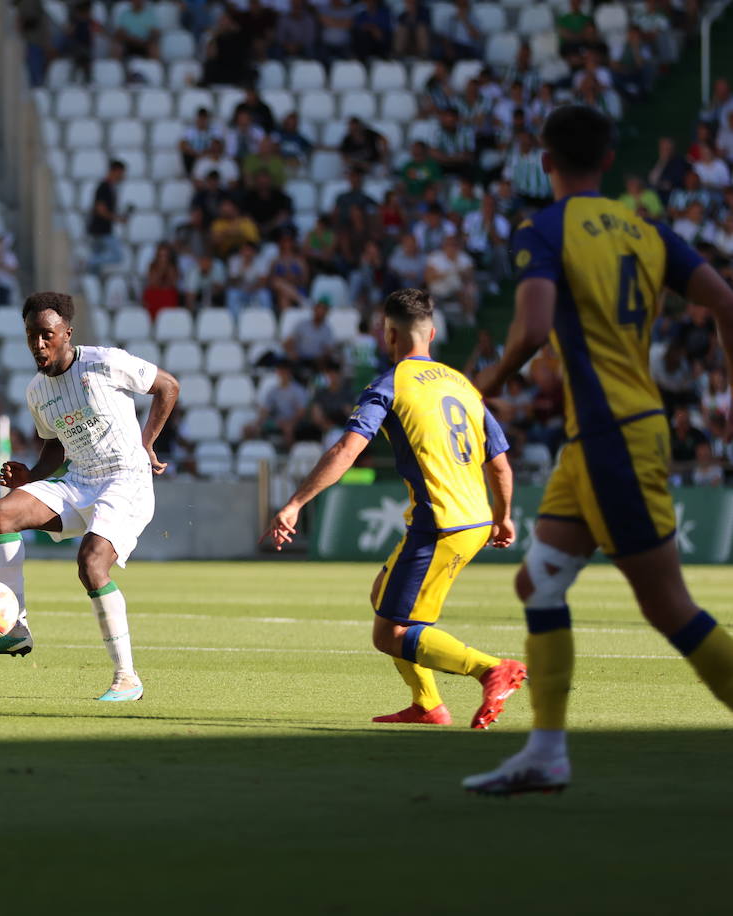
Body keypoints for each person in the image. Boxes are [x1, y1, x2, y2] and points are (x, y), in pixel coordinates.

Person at [464, 106, 733, 795]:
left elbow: (530, 328)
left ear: (544, 161)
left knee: (668, 604)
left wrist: (487, 382)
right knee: (538, 582)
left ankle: (547, 752)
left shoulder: (544, 230)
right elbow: (725, 303)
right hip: (599, 438)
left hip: (615, 437)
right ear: (609, 161)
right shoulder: (648, 232)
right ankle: (546, 753)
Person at [270, 288, 523, 728]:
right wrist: (502, 517)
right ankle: (427, 705)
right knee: (382, 595)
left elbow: (347, 449)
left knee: (389, 633)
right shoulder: (462, 385)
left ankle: (490, 670)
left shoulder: (388, 385)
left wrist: (295, 503)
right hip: (474, 519)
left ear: (387, 334)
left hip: (439, 523)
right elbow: (499, 463)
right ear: (433, 333)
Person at [0, 292, 179, 702]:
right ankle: (15, 628)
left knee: (91, 564)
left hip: (125, 480)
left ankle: (127, 678)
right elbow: (55, 447)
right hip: (79, 481)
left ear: (67, 333)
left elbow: (168, 386)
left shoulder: (105, 362)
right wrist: (30, 476)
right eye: (31, 335)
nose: (38, 344)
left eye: (47, 334)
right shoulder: (36, 391)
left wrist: (147, 443)